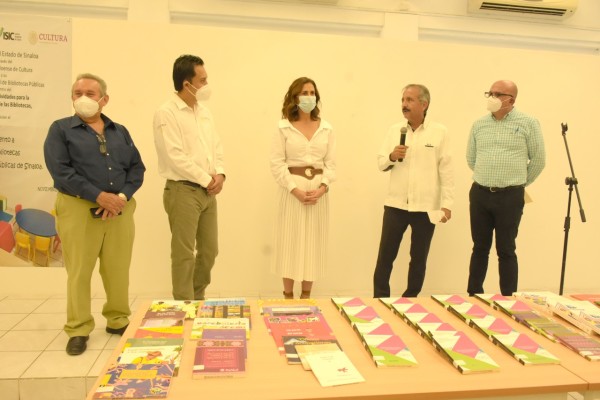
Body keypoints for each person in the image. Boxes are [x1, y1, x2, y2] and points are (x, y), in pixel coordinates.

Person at [43, 73, 145, 356]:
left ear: (104, 99)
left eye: (90, 93)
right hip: (78, 209)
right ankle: (78, 328)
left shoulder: (119, 131)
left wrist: (120, 198)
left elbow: (137, 168)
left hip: (120, 211)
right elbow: (60, 171)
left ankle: (117, 319)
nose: (83, 98)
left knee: (117, 269)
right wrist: (99, 196)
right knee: (79, 272)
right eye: (78, 93)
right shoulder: (60, 129)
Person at [153, 54, 226, 301]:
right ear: (187, 83)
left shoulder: (204, 112)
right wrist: (207, 179)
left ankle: (197, 297)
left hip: (208, 191)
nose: (207, 85)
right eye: (202, 80)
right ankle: (185, 304)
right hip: (183, 190)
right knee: (183, 254)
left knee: (210, 250)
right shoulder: (166, 113)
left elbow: (215, 145)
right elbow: (174, 156)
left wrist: (220, 173)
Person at [373, 84, 454, 298]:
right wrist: (392, 156)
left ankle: (410, 299)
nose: (404, 104)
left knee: (419, 258)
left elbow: (446, 171)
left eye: (409, 100)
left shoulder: (440, 132)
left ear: (424, 104)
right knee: (385, 256)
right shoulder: (394, 130)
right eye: (403, 100)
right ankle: (380, 298)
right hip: (395, 204)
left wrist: (447, 205)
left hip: (426, 207)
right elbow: (381, 163)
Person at [466, 80, 545, 296]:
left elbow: (538, 160)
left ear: (511, 100)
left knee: (506, 249)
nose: (492, 97)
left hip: (510, 196)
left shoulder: (528, 123)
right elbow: (471, 159)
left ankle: (509, 298)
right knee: (479, 247)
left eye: (498, 94)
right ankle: (474, 294)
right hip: (480, 193)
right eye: (490, 93)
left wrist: (518, 183)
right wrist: (489, 176)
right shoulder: (479, 124)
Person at [270, 77, 336, 299]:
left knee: (312, 244)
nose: (309, 97)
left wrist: (322, 188)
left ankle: (306, 296)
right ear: (294, 97)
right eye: (304, 93)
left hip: (318, 193)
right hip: (292, 192)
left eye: (312, 93)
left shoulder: (326, 128)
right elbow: (277, 164)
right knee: (290, 243)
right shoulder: (283, 127)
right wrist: (294, 189)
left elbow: (331, 164)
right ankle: (288, 297)